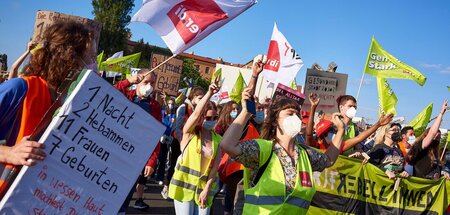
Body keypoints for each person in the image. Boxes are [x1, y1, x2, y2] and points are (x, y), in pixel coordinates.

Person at [0, 21, 94, 195]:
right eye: (88, 58)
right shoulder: (18, 89)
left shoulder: (69, 105)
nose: (92, 65)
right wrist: (8, 153)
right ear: (68, 57)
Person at [220, 85, 346, 213]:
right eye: (290, 113)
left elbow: (328, 159)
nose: (296, 118)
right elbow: (227, 145)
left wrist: (341, 130)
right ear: (275, 121)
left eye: (298, 115)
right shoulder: (263, 149)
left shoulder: (305, 155)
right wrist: (246, 112)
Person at [168, 78, 222, 215]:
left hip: (203, 189)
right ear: (201, 118)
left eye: (214, 118)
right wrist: (209, 93)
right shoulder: (189, 134)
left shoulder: (218, 140)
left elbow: (214, 169)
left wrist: (207, 189)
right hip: (183, 186)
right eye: (208, 118)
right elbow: (196, 113)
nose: (211, 121)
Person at [114, 69, 162, 211]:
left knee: (124, 195)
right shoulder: (126, 96)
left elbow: (155, 135)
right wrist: (128, 81)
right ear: (138, 81)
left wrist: (151, 161)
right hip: (114, 151)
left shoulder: (155, 107)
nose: (149, 86)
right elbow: (110, 92)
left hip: (135, 158)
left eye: (152, 83)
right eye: (146, 82)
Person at [161, 86, 206, 199]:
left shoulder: (199, 109)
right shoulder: (184, 107)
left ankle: (177, 187)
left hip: (192, 141)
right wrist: (182, 142)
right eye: (200, 97)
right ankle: (166, 186)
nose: (202, 100)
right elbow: (178, 126)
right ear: (193, 96)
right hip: (178, 140)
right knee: (174, 164)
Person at [406, 100, 450, 180]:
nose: (437, 136)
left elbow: (438, 168)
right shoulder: (420, 146)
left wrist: (444, 173)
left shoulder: (436, 153)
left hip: (432, 188)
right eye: (436, 133)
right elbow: (432, 133)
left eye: (439, 136)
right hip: (420, 187)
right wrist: (441, 113)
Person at [155, 94, 176, 185]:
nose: (170, 105)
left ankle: (159, 177)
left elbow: (173, 127)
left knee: (163, 159)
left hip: (166, 140)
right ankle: (151, 174)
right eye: (169, 103)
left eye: (172, 104)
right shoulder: (161, 112)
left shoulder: (174, 115)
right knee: (155, 157)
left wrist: (171, 135)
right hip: (158, 138)